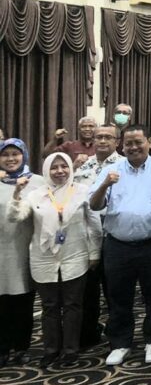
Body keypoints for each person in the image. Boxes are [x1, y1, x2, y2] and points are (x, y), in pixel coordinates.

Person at [88, 125, 151, 367]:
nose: (134, 147)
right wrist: (105, 185)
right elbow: (94, 205)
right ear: (121, 145)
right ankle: (120, 343)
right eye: (128, 143)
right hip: (118, 245)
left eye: (138, 142)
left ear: (150, 142)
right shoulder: (111, 170)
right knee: (118, 296)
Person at [7, 152, 101, 367]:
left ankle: (70, 350)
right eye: (54, 167)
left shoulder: (83, 191)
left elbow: (94, 225)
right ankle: (51, 350)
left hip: (75, 255)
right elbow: (15, 217)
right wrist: (17, 193)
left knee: (73, 305)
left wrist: (94, 253)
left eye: (64, 166)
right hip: (43, 258)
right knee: (49, 306)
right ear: (46, 170)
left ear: (70, 168)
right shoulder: (36, 195)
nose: (60, 171)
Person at [72, 124, 121, 348]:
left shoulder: (124, 165)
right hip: (85, 235)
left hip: (112, 233)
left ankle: (117, 335)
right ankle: (89, 333)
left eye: (107, 137)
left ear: (116, 142)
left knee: (114, 289)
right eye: (99, 136)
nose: (102, 140)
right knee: (88, 289)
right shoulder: (83, 166)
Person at [0, 138, 36, 366]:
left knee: (23, 303)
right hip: (1, 252)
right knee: (1, 304)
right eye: (5, 155)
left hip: (25, 250)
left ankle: (22, 347)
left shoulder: (37, 182)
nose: (11, 158)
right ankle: (2, 348)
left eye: (15, 154)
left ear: (24, 155)